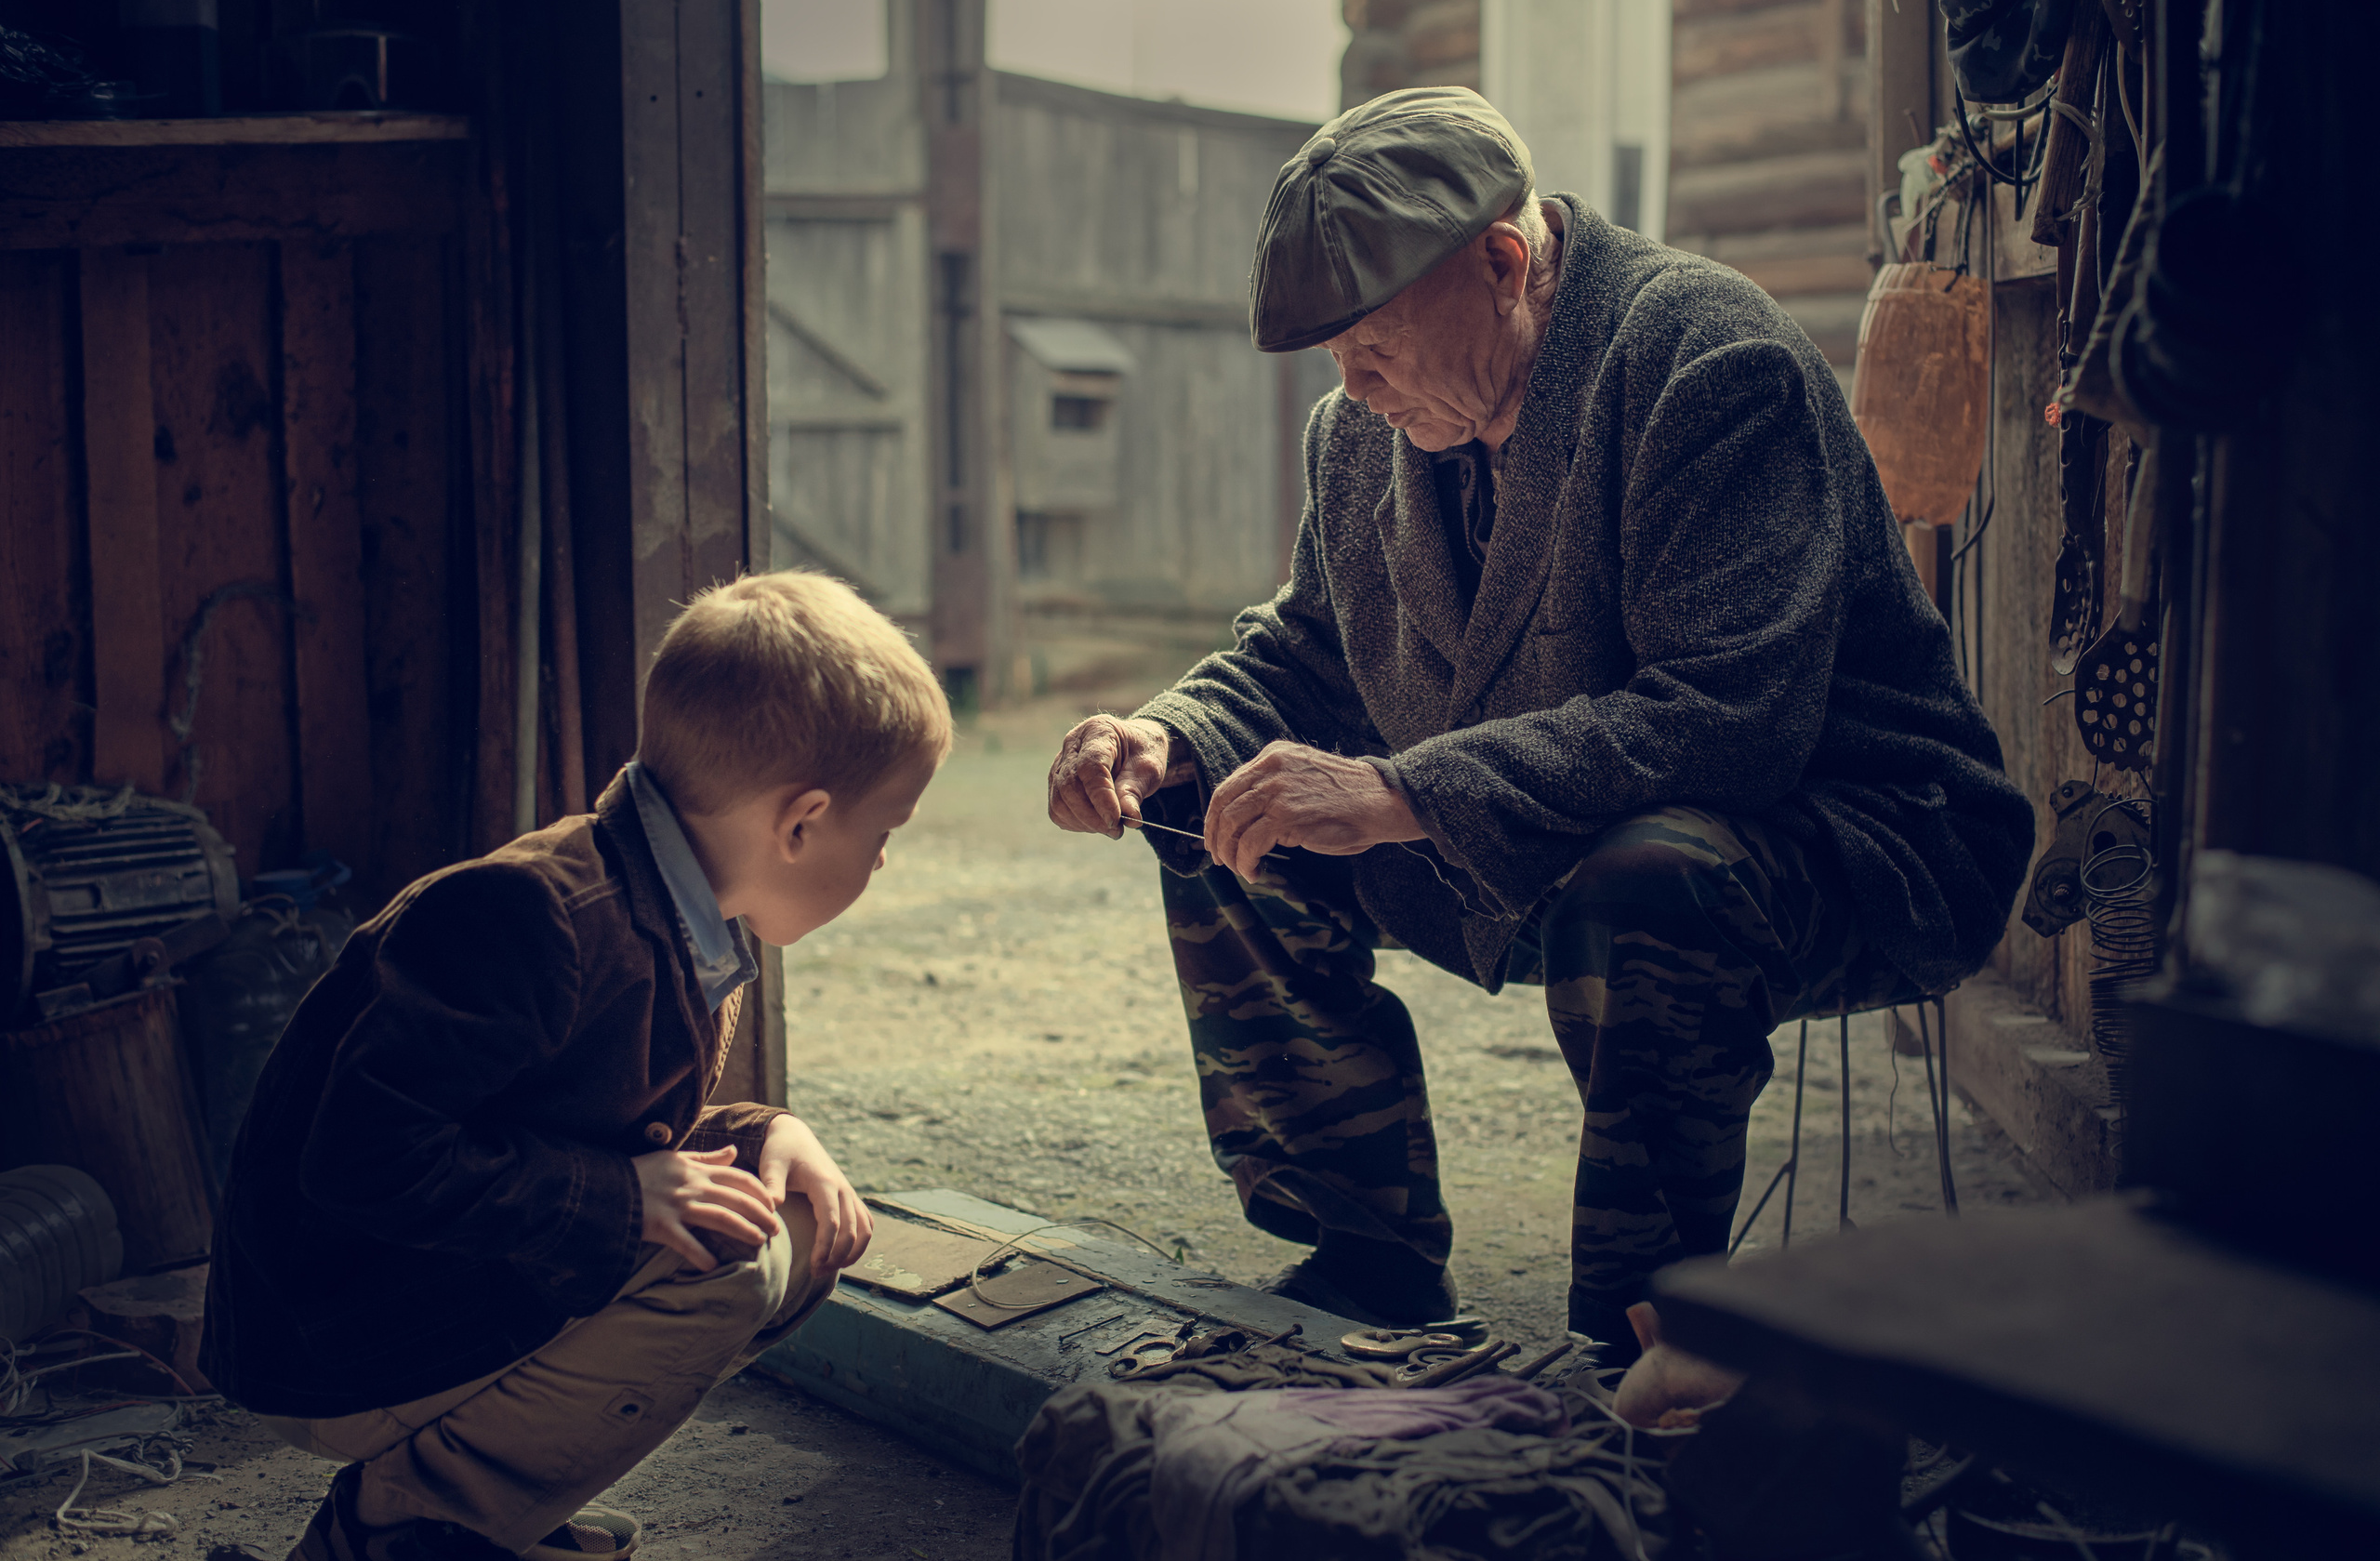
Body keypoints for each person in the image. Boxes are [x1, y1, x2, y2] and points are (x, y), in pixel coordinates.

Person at [1046, 87, 2031, 1358]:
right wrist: (1168, 737)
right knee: (1231, 812)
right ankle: (1371, 1260)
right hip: (1557, 817)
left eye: (1372, 344)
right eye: (1335, 357)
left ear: (1503, 261)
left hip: (1858, 830)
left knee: (1653, 882)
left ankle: (1643, 1339)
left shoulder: (1706, 360)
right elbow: (1307, 649)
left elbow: (1730, 722)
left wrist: (1404, 796)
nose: (1351, 385)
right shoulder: (1361, 432)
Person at [204, 571, 950, 1561]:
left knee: (793, 1217)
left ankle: (476, 1508)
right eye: (883, 832)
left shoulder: (687, 905)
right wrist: (619, 1202)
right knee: (725, 1266)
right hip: (337, 1334)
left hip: (432, 1280)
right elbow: (361, 1158)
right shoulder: (530, 918)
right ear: (801, 822)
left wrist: (768, 1131)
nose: (883, 861)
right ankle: (397, 1527)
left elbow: (587, 1121)